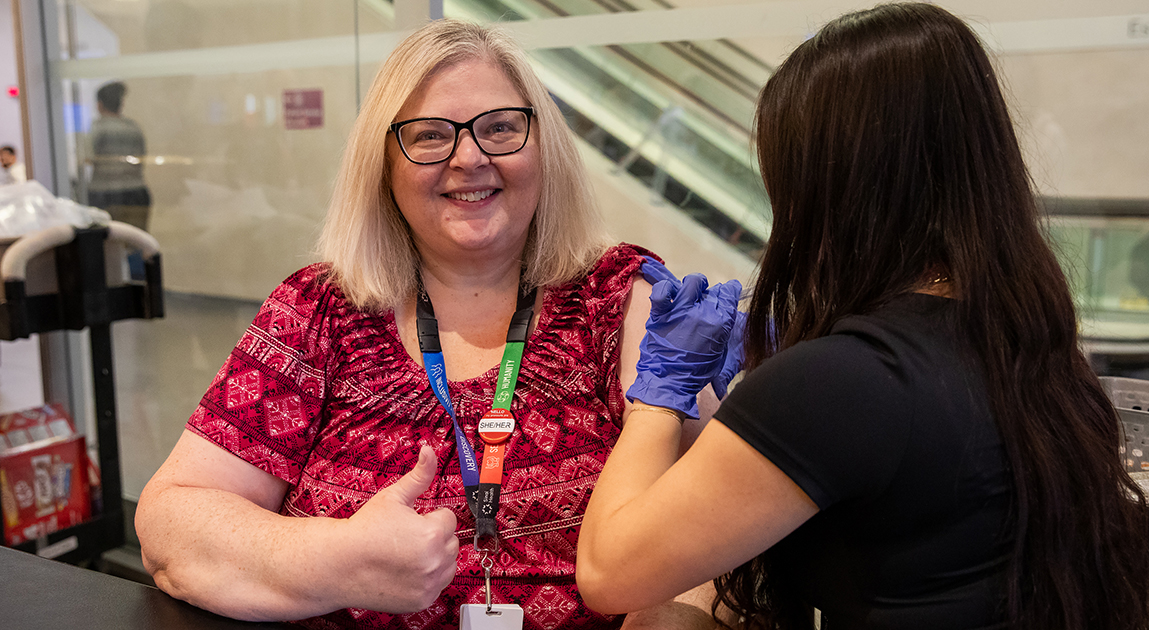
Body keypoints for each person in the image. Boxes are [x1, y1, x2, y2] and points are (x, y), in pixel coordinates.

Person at [577, 4, 1149, 630]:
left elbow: (611, 573)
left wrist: (659, 398)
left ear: (827, 186)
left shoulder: (844, 382)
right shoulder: (1025, 341)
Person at [135, 19, 721, 630]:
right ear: (382, 165)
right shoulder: (319, 309)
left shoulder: (619, 301)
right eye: (430, 136)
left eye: (500, 128)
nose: (469, 158)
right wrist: (336, 561)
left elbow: (704, 540)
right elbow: (171, 523)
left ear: (544, 145)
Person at [88, 81, 151, 231]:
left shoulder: (97, 128)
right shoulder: (133, 127)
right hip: (137, 194)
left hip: (106, 196)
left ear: (99, 104)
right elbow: (142, 157)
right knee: (136, 242)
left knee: (110, 245)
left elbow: (86, 158)